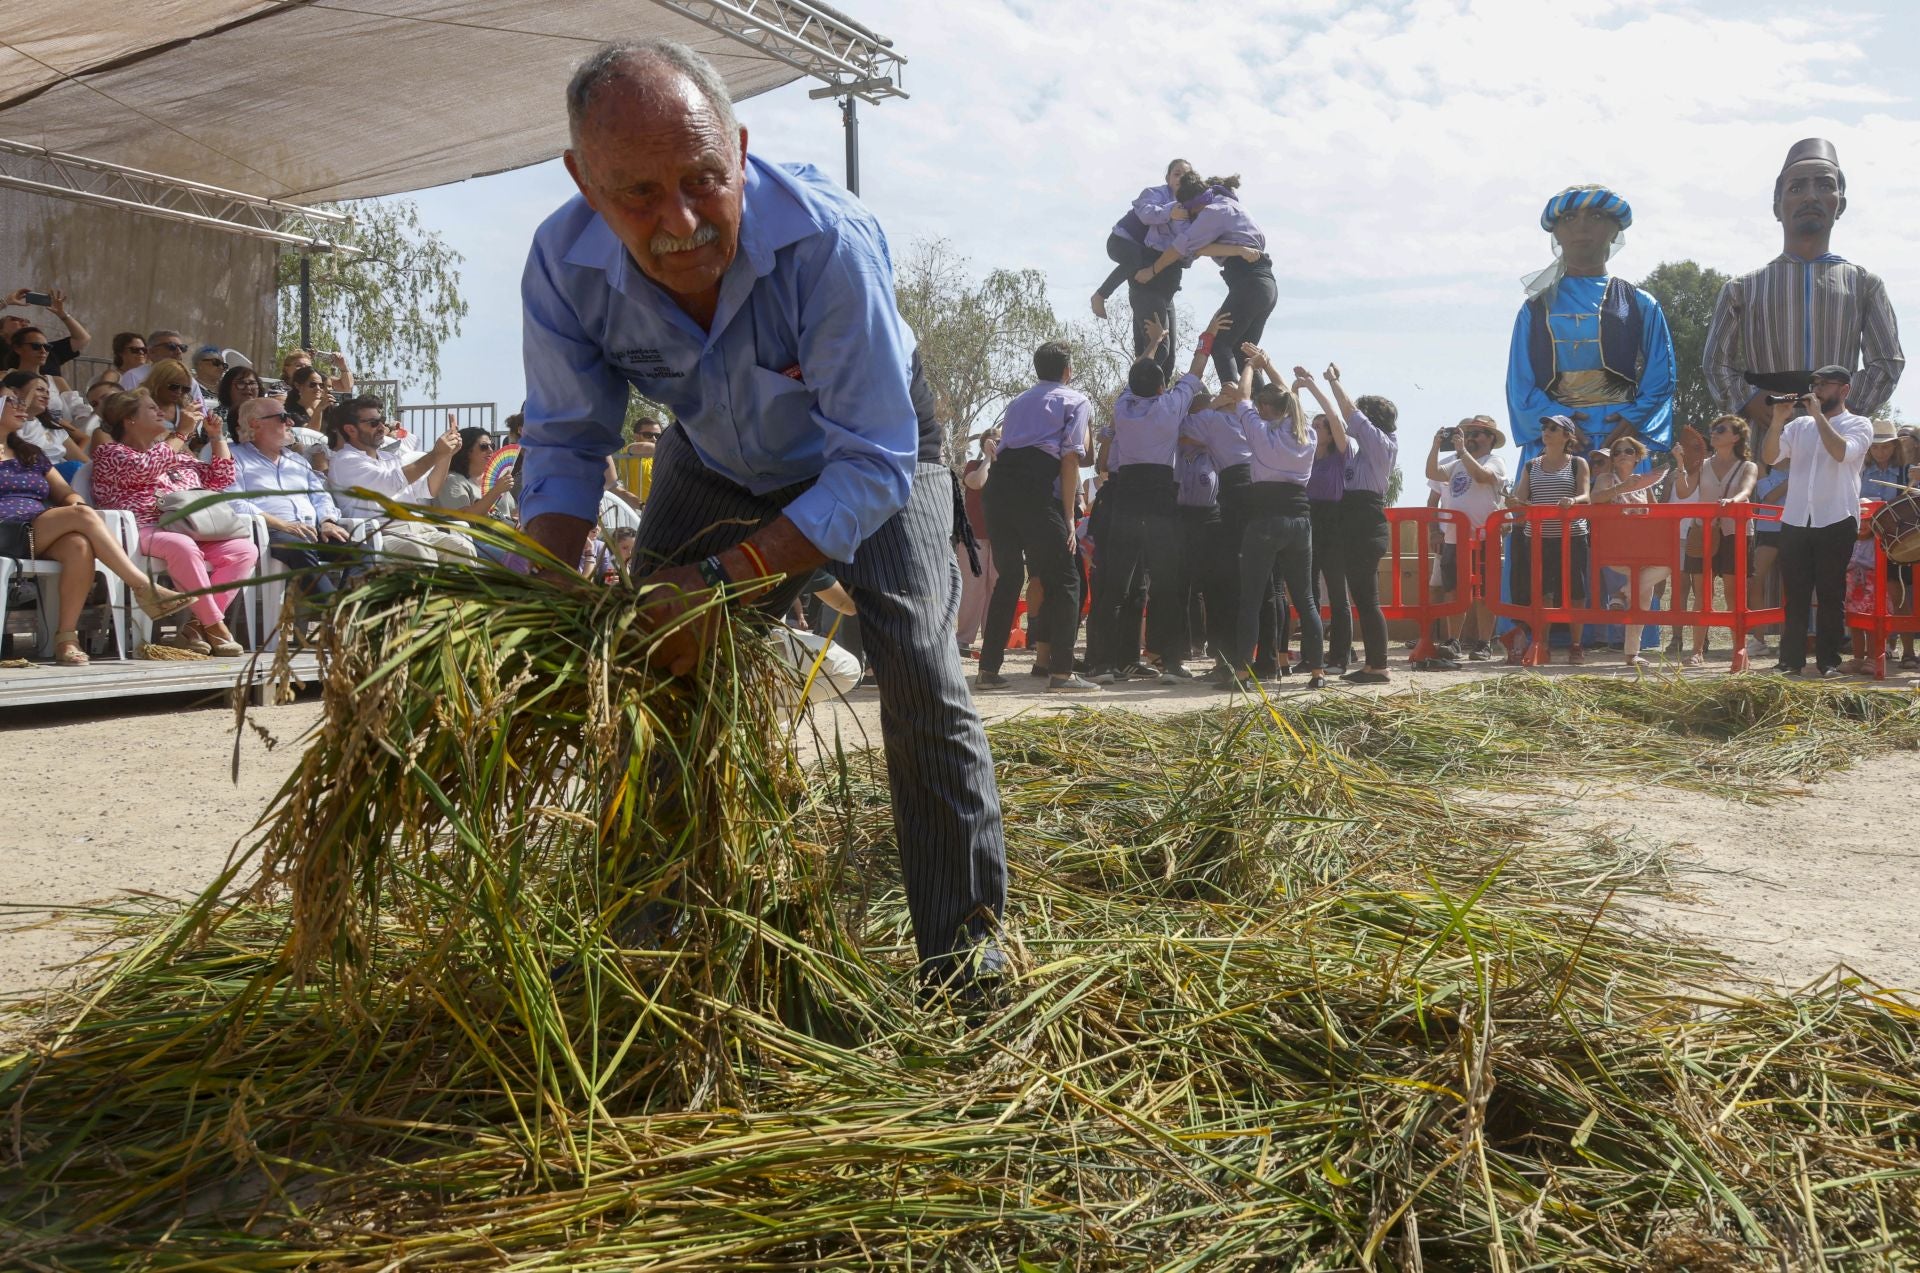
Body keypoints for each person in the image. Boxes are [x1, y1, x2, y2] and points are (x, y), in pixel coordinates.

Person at [519, 39, 1007, 996]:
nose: (683, 223)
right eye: (639, 196)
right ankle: (655, 942)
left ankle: (968, 954)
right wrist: (542, 595)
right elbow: (570, 442)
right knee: (644, 661)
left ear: (741, 149)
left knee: (913, 652)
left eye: (705, 179)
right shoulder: (562, 263)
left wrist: (721, 583)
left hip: (871, 445)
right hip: (715, 454)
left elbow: (872, 459)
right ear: (583, 180)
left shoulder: (826, 241)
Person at [1704, 139, 1904, 458]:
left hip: (1836, 436)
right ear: (1776, 205)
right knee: (1763, 506)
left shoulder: (1865, 284)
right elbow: (1716, 361)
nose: (1811, 196)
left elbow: (1887, 361)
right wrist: (1748, 400)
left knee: (1836, 506)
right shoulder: (1742, 288)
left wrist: (1842, 405)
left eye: (1824, 185)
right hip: (1764, 432)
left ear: (1840, 203)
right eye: (1797, 187)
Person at [0, 387, 190, 663]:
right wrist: (78, 513)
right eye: (11, 401)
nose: (21, 406)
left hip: (35, 529)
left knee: (79, 544)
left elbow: (65, 494)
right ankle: (141, 586)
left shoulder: (30, 453)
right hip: (5, 527)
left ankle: (66, 639)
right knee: (85, 517)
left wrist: (75, 503)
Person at [1089, 315, 1227, 685]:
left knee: (1115, 583)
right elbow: (1197, 369)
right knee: (1168, 582)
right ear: (1164, 387)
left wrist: (1152, 345)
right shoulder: (1171, 407)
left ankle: (1102, 664)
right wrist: (1207, 335)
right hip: (1161, 496)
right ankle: (1171, 663)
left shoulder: (1122, 408)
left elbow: (1138, 373)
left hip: (1127, 494)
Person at [1507, 185, 1675, 468]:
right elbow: (1519, 382)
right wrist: (1555, 420)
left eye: (1596, 216)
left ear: (1615, 229)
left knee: (1626, 509)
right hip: (1556, 445)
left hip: (1620, 442)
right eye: (1570, 218)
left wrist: (1635, 418)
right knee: (1550, 510)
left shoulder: (1639, 302)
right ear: (1556, 232)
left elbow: (1662, 373)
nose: (1582, 227)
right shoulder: (1535, 308)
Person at [90, 390, 257, 655]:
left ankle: (195, 626)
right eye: (151, 408)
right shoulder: (110, 452)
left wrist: (216, 437)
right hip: (141, 529)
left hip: (191, 528)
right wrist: (181, 433)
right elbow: (145, 468)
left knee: (244, 550)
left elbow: (221, 478)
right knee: (182, 546)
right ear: (129, 419)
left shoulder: (175, 454)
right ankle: (215, 626)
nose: (161, 412)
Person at [978, 341, 1096, 692]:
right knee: (1067, 578)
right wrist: (1067, 521)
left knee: (1010, 578)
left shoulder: (1018, 401)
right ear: (1067, 371)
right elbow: (1071, 459)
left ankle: (988, 670)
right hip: (1034, 490)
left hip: (999, 489)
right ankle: (1061, 673)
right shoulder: (1076, 400)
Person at [1217, 345, 1324, 691]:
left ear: (1266, 409)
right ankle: (1317, 672)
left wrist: (1249, 366)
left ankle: (1244, 673)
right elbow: (1291, 405)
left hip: (1265, 519)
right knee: (1305, 599)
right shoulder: (1307, 434)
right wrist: (1270, 364)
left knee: (1250, 599)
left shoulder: (1260, 432)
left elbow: (1244, 396)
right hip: (1299, 519)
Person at [1760, 367, 1873, 677]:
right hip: (1796, 517)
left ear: (1844, 390)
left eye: (1825, 384)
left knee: (1829, 592)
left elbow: (1841, 453)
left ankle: (1828, 662)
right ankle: (1790, 661)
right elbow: (1770, 457)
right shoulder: (1799, 425)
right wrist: (1778, 420)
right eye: (1815, 384)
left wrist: (1819, 416)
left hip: (1836, 517)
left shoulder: (1859, 424)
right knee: (1795, 592)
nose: (1818, 388)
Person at [1297, 364, 1397, 684]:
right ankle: (1371, 665)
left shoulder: (1381, 443)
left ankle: (1378, 665)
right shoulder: (1360, 453)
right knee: (1363, 598)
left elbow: (1350, 413)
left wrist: (1333, 382)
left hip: (1366, 521)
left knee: (1367, 600)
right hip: (1354, 521)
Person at [1137, 173, 1273, 387]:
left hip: (1249, 283)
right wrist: (1235, 249)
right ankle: (1266, 410)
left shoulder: (1211, 213)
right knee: (1243, 352)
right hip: (1264, 283)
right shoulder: (1227, 202)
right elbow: (1199, 249)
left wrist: (1152, 270)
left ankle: (1232, 400)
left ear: (1195, 206)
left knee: (1220, 345)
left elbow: (1182, 246)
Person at [231, 397, 354, 605]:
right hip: (269, 533)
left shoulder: (296, 460)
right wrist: (283, 525)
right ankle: (334, 611)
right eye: (283, 417)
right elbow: (233, 502)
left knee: (361, 551)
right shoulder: (235, 457)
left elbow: (320, 495)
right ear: (255, 423)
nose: (291, 423)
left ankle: (347, 608)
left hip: (311, 530)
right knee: (299, 548)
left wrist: (327, 521)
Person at [327, 398, 473, 562]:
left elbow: (431, 489)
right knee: (420, 551)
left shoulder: (391, 458)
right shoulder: (345, 460)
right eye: (374, 423)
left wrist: (446, 455)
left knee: (462, 548)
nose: (382, 428)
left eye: (382, 421)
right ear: (351, 430)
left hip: (419, 530)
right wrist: (436, 454)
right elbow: (391, 482)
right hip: (380, 535)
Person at [1091, 159, 1195, 380]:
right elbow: (1147, 214)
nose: (1181, 179)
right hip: (1121, 241)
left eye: (1186, 176)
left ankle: (1158, 399)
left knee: (1168, 358)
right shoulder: (1155, 194)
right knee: (1135, 261)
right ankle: (1100, 295)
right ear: (1167, 178)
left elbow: (1181, 246)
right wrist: (1170, 213)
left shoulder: (1188, 209)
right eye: (1176, 174)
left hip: (1162, 286)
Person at [1503, 413, 1591, 664]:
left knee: (1576, 591)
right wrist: (1513, 502)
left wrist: (1573, 500)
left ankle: (1576, 645)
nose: (1547, 431)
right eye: (1545, 427)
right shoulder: (1531, 465)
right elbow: (1520, 500)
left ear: (1567, 436)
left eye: (1554, 428)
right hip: (1539, 537)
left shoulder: (1578, 463)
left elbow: (1586, 495)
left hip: (1573, 536)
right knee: (1543, 592)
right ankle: (1542, 643)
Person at [1673, 415, 1758, 666]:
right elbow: (1683, 491)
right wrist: (1680, 462)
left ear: (1736, 437)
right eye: (1713, 429)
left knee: (1734, 595)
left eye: (1721, 429)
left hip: (1736, 533)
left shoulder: (1747, 465)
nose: (1715, 433)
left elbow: (1746, 489)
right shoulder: (1703, 464)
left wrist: (1734, 501)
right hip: (1704, 531)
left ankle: (1739, 651)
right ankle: (1697, 651)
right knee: (1702, 595)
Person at [1424, 415, 1509, 662]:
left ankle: (1484, 643)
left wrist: (1462, 451)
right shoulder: (1456, 462)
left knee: (1485, 594)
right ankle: (1453, 641)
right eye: (1468, 432)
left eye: (1477, 433)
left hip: (1484, 538)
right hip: (1454, 539)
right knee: (1453, 591)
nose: (1471, 436)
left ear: (1491, 439)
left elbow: (1483, 476)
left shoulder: (1495, 461)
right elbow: (1432, 472)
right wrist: (1436, 446)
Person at [1584, 435, 1667, 664]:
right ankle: (1622, 597)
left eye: (1628, 451)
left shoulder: (1645, 484)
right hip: (1616, 548)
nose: (1622, 455)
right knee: (1642, 592)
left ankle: (1632, 652)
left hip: (1642, 549)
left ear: (1637, 456)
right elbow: (1595, 498)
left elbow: (1657, 513)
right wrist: (1623, 487)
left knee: (1647, 594)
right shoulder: (1605, 478)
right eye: (1617, 451)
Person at [955, 427, 999, 655]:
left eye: (998, 441)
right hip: (974, 535)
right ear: (982, 444)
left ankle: (992, 637)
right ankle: (963, 638)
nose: (995, 444)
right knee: (973, 587)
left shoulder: (1008, 469)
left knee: (996, 586)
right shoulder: (974, 465)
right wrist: (988, 459)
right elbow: (976, 483)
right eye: (991, 441)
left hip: (1001, 535)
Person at [1, 288, 90, 379]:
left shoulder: (48, 350)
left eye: (26, 321)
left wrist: (62, 314)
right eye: (14, 319)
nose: (42, 350)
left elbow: (82, 338)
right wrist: (5, 302)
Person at [8, 326, 74, 396]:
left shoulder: (57, 381)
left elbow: (77, 406)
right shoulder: (3, 377)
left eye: (47, 347)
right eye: (36, 346)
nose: (43, 351)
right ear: (17, 348)